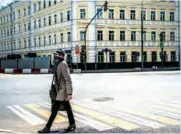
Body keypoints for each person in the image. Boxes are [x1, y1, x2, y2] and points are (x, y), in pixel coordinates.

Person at [38, 49, 76, 133]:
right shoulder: (58, 64)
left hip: (63, 91)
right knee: (68, 108)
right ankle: (72, 123)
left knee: (55, 109)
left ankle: (47, 127)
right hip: (60, 90)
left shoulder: (63, 64)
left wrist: (69, 93)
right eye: (56, 55)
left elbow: (68, 79)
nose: (56, 56)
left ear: (62, 56)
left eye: (58, 55)